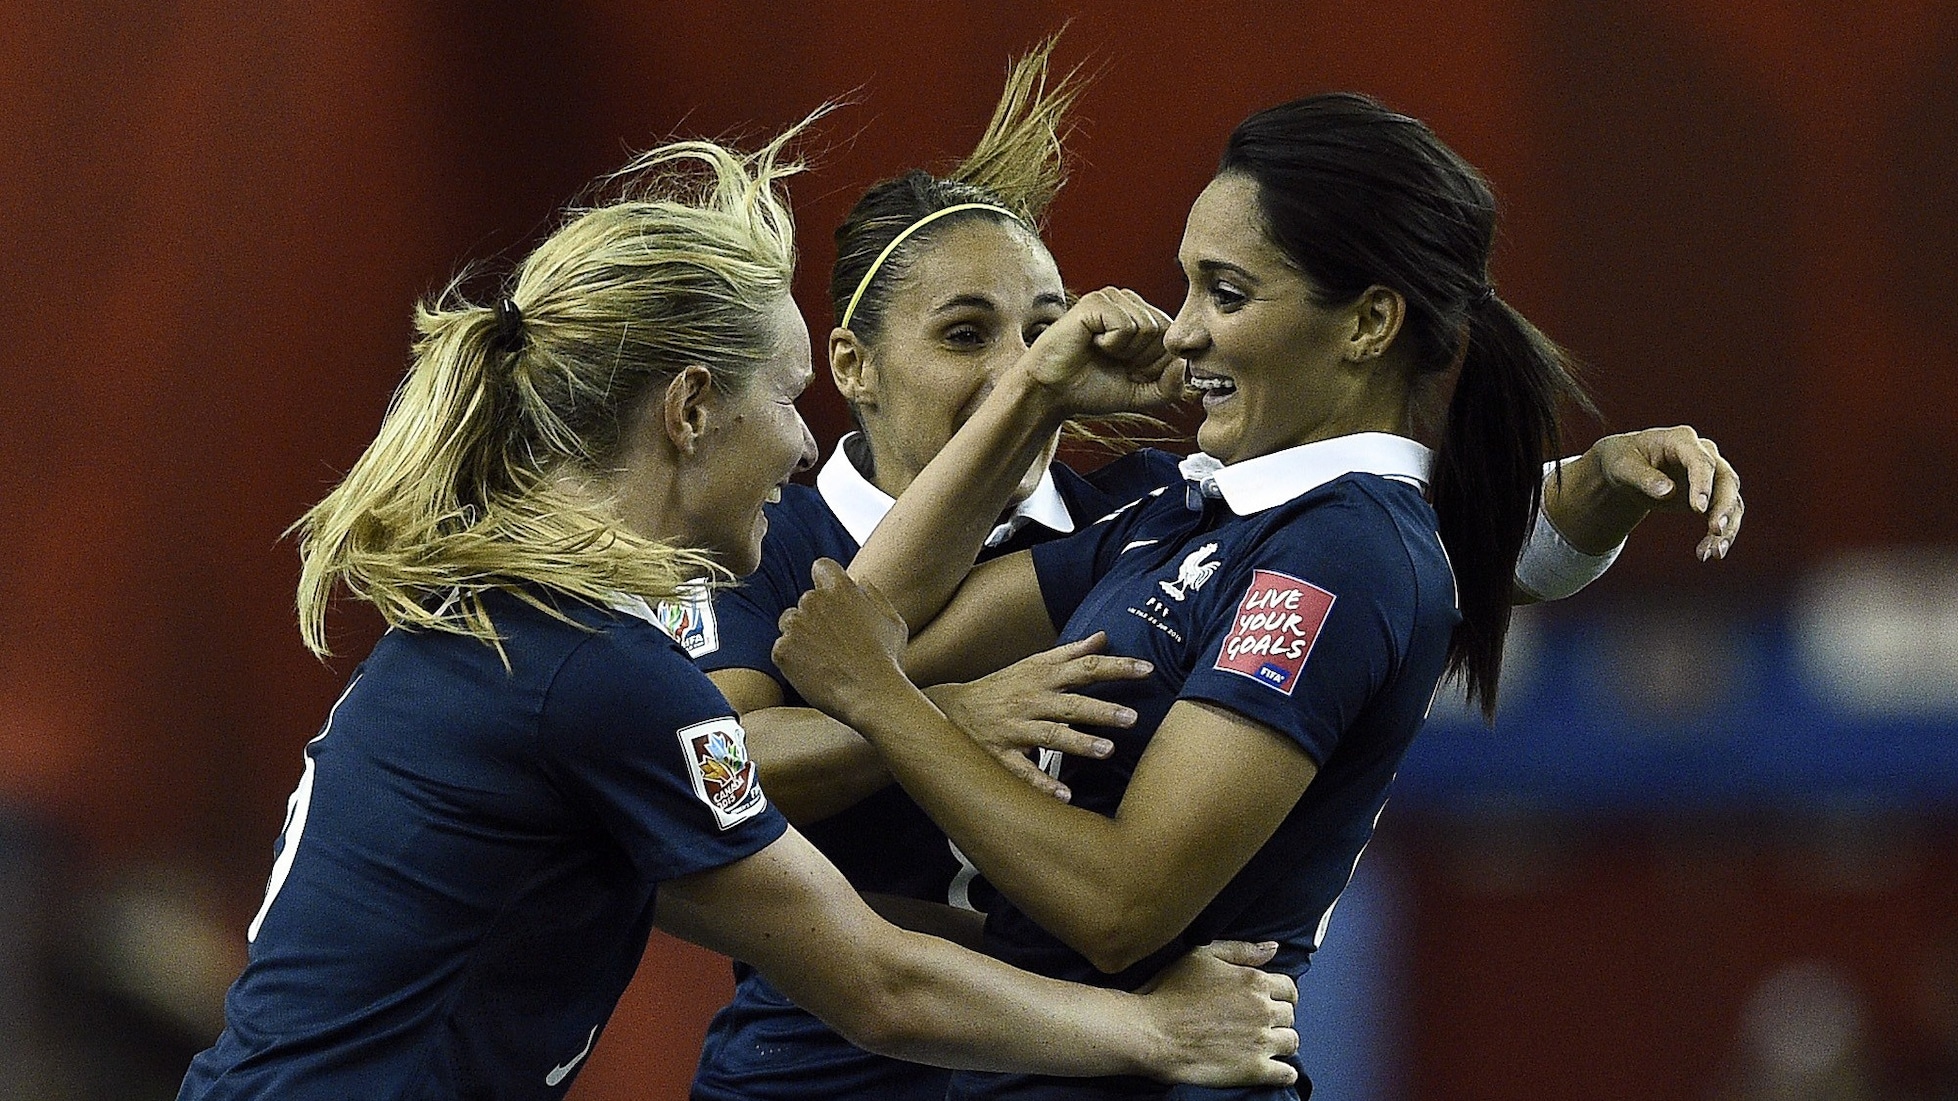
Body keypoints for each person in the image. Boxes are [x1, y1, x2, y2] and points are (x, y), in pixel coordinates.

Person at [691, 47, 1741, 1101]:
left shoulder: (1238, 522)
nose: (1177, 326)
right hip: (838, 1067)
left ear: (1369, 322)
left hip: (1075, 1052)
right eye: (966, 335)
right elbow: (735, 746)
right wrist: (1038, 406)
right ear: (852, 367)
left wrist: (1597, 479)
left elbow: (1431, 537)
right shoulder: (768, 546)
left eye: (1043, 330)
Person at [174, 126, 1305, 1101]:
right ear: (692, 408)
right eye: (785, 392)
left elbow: (804, 896)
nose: (805, 440)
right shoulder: (591, 669)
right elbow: (876, 987)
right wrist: (1158, 1029)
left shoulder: (525, 630)